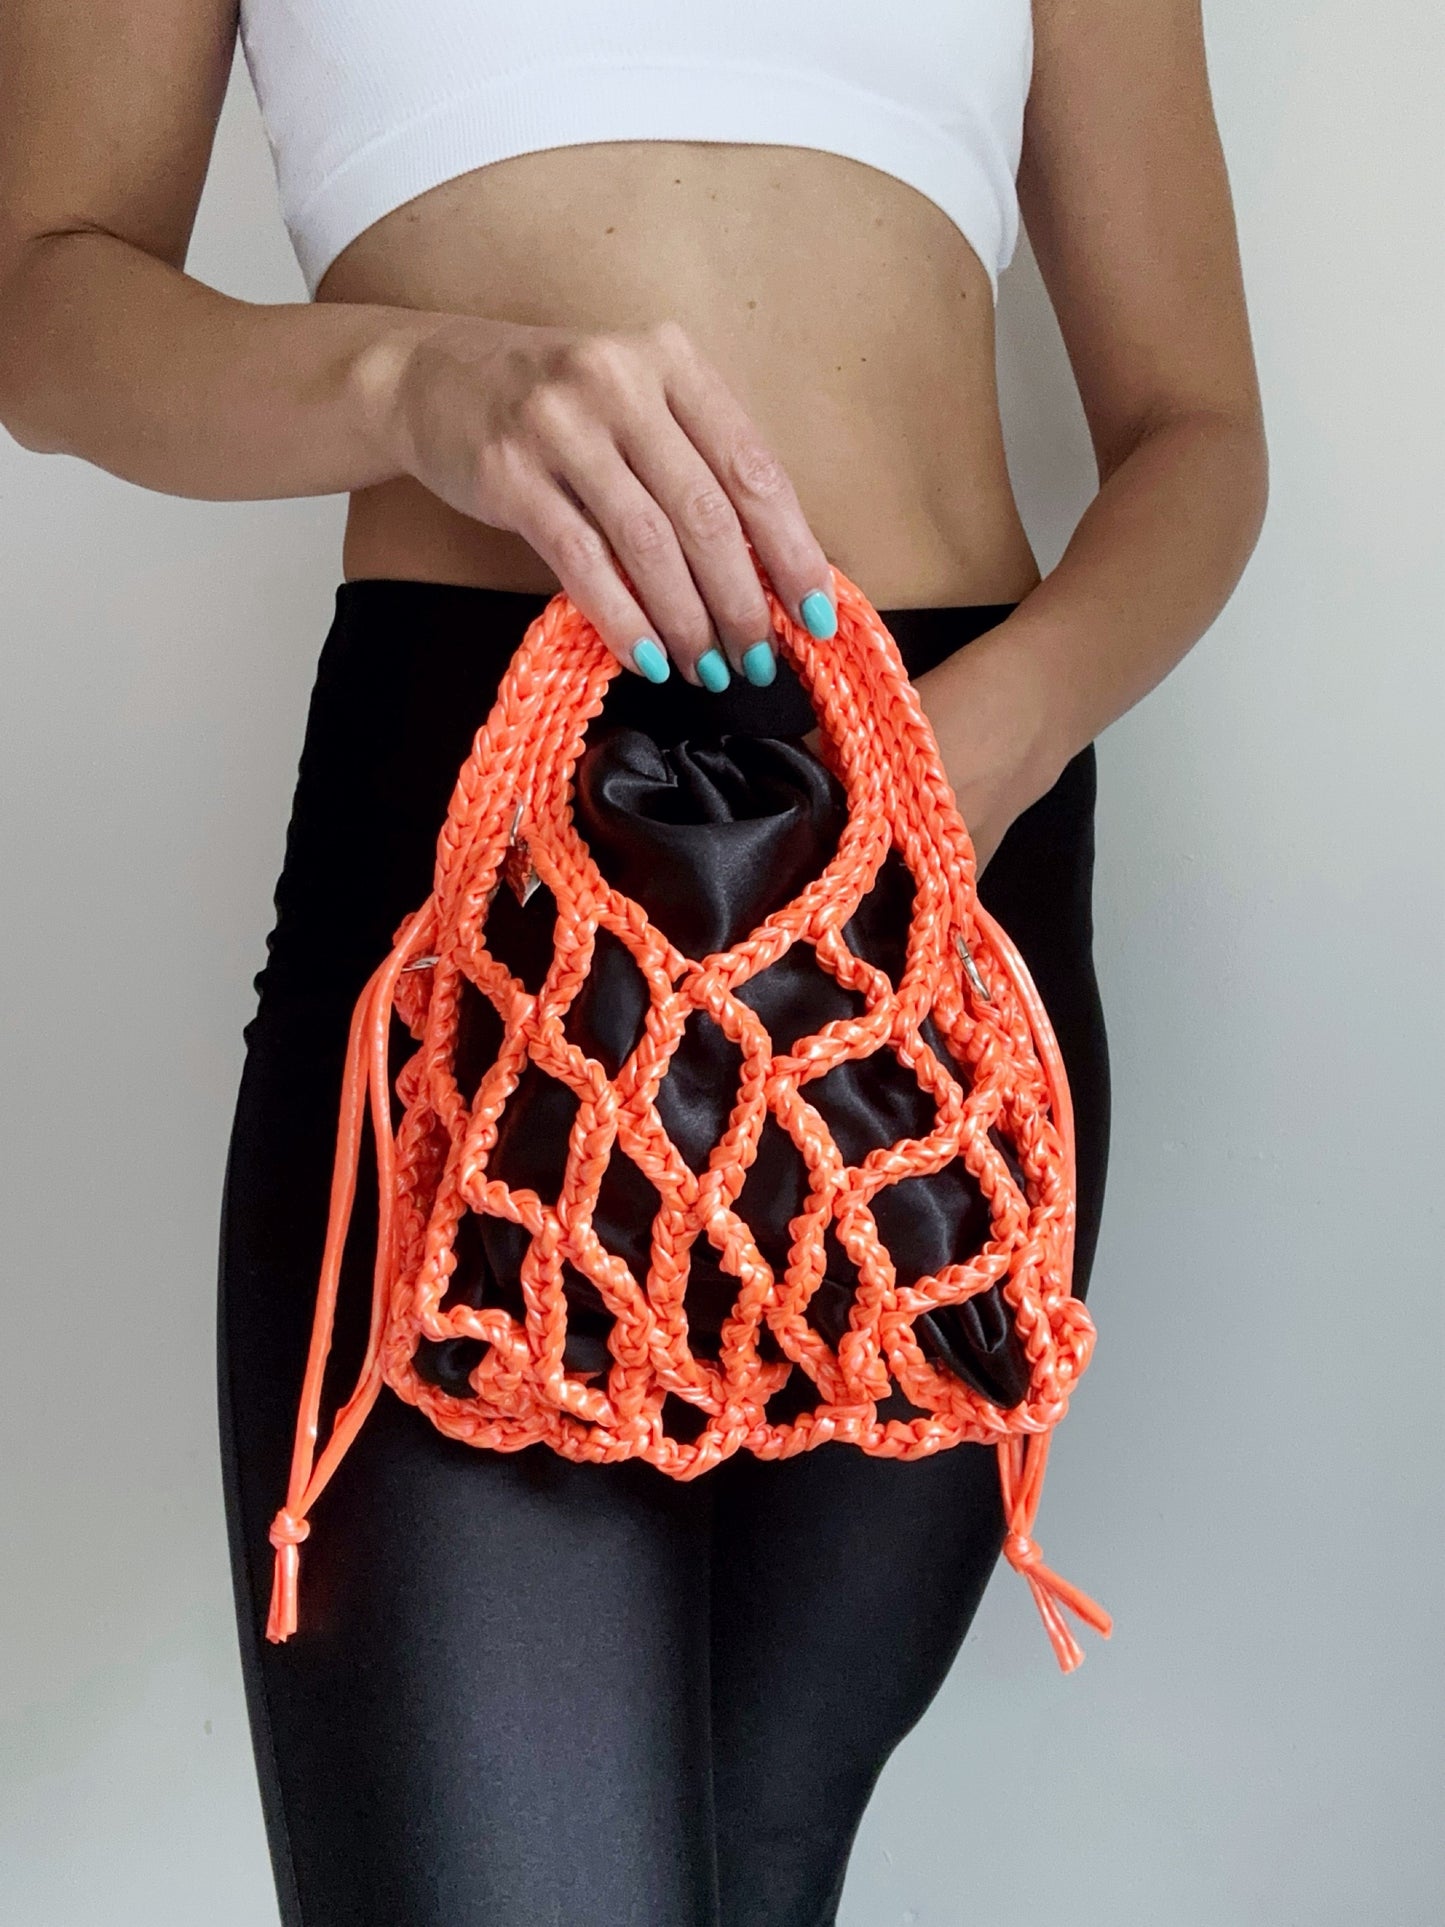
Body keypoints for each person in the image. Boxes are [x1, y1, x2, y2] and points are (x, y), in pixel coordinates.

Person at [0, 2, 1267, 1921]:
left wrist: (978, 755)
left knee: (759, 1866)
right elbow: (42, 303)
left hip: (945, 852)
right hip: (479, 872)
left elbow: (1198, 433)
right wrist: (415, 383)